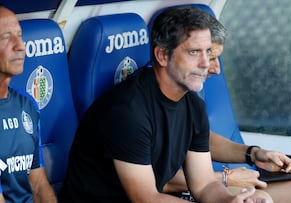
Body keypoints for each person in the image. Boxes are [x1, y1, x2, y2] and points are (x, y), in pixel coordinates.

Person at [59, 6, 266, 203]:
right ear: (162, 55)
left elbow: (204, 185)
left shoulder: (193, 105)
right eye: (194, 52)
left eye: (208, 52)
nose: (205, 63)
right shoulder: (128, 110)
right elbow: (147, 199)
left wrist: (229, 200)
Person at [163, 15, 291, 203]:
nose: (215, 69)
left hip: (209, 183)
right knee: (260, 199)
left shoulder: (190, 100)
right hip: (179, 191)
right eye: (210, 57)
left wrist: (254, 154)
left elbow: (201, 140)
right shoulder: (141, 104)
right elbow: (159, 182)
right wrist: (226, 177)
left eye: (213, 57)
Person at [0, 5, 57, 203]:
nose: (21, 45)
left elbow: (39, 184)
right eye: (6, 37)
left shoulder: (27, 105)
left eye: (19, 35)